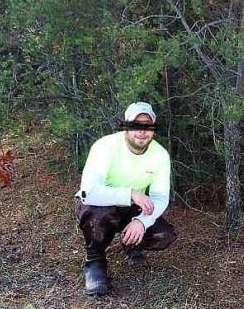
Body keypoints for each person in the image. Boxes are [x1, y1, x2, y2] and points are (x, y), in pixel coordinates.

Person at [75, 102, 177, 295]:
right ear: (126, 126)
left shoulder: (160, 155)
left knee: (164, 235)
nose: (142, 132)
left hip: (132, 208)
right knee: (96, 214)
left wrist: (142, 221)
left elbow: (160, 197)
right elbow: (89, 191)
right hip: (100, 205)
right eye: (136, 125)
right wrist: (131, 193)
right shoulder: (105, 146)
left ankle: (130, 243)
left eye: (148, 126)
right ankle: (95, 261)